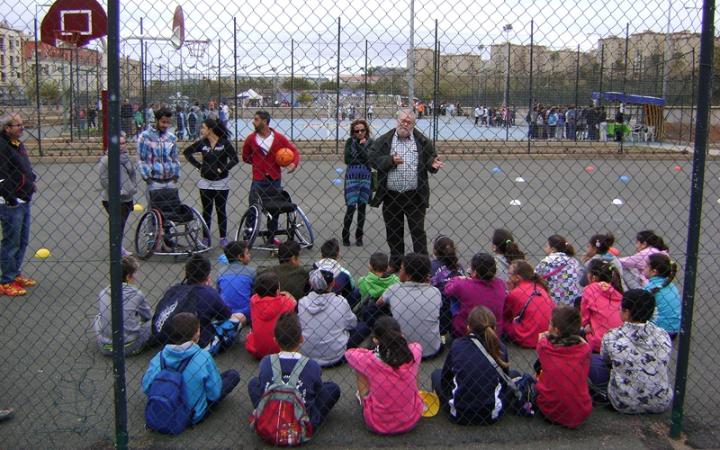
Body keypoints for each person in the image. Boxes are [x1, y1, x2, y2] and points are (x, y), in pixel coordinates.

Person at [369, 109, 444, 269]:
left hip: (415, 196)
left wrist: (432, 164)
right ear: (397, 121)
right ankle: (397, 262)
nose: (405, 124)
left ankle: (422, 264)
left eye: (409, 122)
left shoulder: (422, 141)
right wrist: (390, 160)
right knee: (394, 232)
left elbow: (432, 158)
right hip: (391, 195)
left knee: (418, 231)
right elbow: (372, 159)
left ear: (413, 124)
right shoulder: (385, 140)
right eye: (402, 120)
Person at [142, 312, 240, 428]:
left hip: (164, 408)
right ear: (196, 335)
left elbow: (146, 387)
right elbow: (214, 394)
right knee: (232, 375)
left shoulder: (160, 357)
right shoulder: (203, 356)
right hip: (191, 415)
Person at [248, 312, 340, 430]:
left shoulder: (266, 362)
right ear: (301, 339)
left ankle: (266, 416)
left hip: (270, 419)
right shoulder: (311, 365)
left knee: (253, 383)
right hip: (301, 424)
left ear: (275, 340)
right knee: (332, 388)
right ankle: (305, 422)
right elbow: (317, 388)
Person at [590, 289, 673, 414]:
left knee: (592, 360)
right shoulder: (663, 335)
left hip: (623, 403)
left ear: (627, 312)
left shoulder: (612, 336)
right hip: (660, 402)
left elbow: (605, 359)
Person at [345, 316, 424, 435]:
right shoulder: (414, 352)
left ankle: (365, 399)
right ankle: (412, 395)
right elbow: (416, 345)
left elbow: (349, 354)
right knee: (415, 365)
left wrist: (369, 352)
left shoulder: (369, 360)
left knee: (360, 368)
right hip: (411, 420)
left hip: (376, 423)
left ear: (375, 340)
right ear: (401, 335)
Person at [432, 306, 510, 425]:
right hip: (491, 415)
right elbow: (504, 381)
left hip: (459, 414)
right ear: (494, 328)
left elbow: (445, 378)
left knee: (435, 374)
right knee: (514, 375)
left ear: (468, 327)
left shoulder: (457, 345)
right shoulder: (500, 348)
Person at [152, 255, 242, 352]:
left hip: (166, 340)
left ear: (186, 273)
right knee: (239, 317)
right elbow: (226, 315)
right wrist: (208, 289)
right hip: (197, 344)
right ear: (207, 275)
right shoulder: (208, 292)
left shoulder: (175, 288)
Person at [242, 111, 300, 244]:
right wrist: (258, 163)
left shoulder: (279, 138)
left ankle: (271, 236)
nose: (253, 121)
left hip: (274, 179)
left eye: (256, 119)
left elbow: (294, 152)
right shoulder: (251, 139)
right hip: (258, 179)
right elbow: (245, 157)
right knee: (253, 206)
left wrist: (293, 163)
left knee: (274, 209)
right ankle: (248, 233)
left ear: (265, 121)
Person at [183, 118, 239, 248]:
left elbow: (234, 159)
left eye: (203, 127)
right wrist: (198, 166)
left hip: (222, 183)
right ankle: (206, 238)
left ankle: (223, 238)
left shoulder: (224, 143)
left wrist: (223, 169)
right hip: (205, 182)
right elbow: (187, 153)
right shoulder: (203, 143)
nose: (201, 130)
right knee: (206, 211)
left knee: (221, 210)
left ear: (210, 129)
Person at [534, 306, 592, 429]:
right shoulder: (585, 349)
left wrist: (547, 334)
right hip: (581, 412)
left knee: (537, 369)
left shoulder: (544, 347)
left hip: (551, 411)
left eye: (550, 324)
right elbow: (582, 341)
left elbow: (541, 338)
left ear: (556, 329)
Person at [376, 253, 442, 359]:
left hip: (402, 353)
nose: (399, 272)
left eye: (401, 269)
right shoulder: (435, 292)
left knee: (376, 307)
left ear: (408, 275)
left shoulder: (394, 289)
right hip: (431, 351)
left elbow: (378, 304)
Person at [0, 113, 37, 296]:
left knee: (22, 240)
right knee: (11, 241)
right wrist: (9, 197)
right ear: (7, 128)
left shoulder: (18, 144)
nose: (22, 128)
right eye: (17, 125)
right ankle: (6, 280)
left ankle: (15, 273)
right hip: (11, 202)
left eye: (22, 124)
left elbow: (25, 167)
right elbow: (2, 175)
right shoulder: (2, 146)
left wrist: (32, 180)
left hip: (24, 198)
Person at [298, 269, 368, 366]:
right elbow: (352, 324)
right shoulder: (340, 301)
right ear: (333, 283)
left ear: (311, 284)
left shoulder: (302, 303)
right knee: (364, 326)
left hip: (307, 355)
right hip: (336, 357)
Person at [93, 256, 151, 356]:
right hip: (128, 347)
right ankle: (135, 346)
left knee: (97, 318)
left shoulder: (103, 292)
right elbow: (147, 316)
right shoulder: (136, 294)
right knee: (152, 322)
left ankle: (108, 339)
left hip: (105, 346)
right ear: (128, 276)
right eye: (135, 273)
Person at [445, 253, 506, 338]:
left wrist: (457, 279)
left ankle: (453, 327)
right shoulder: (500, 283)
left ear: (474, 272)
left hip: (466, 332)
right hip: (495, 332)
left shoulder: (463, 285)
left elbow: (447, 290)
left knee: (454, 297)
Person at [96, 131, 137, 257]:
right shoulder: (107, 160)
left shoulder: (126, 158)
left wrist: (132, 188)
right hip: (112, 198)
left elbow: (132, 174)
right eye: (119, 144)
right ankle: (117, 248)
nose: (122, 146)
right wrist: (118, 192)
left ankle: (118, 246)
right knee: (117, 224)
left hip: (127, 197)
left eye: (124, 143)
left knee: (122, 224)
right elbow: (104, 180)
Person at [245, 271, 297, 359]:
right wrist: (288, 296)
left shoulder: (254, 301)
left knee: (250, 334)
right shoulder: (286, 301)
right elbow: (294, 303)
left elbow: (257, 297)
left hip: (258, 351)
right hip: (282, 349)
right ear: (277, 291)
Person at [503, 260, 554, 349]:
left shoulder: (516, 292)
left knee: (500, 320)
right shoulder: (539, 287)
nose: (508, 277)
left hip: (528, 338)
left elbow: (506, 315)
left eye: (510, 274)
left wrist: (510, 291)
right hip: (546, 336)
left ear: (517, 277)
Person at [580, 259, 624, 353]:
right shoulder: (618, 292)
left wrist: (586, 325)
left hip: (599, 343)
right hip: (620, 342)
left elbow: (585, 319)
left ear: (594, 277)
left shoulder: (590, 289)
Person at [342, 119, 373, 247]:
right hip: (352, 177)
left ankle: (359, 236)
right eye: (357, 131)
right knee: (350, 207)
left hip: (365, 177)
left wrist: (360, 149)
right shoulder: (350, 142)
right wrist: (362, 154)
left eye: (362, 130)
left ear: (366, 131)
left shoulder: (371, 142)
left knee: (362, 207)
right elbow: (347, 159)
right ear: (353, 132)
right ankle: (345, 234)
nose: (360, 133)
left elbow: (369, 160)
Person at [137, 107, 181, 198]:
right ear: (157, 120)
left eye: (168, 122)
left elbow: (174, 158)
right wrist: (146, 177)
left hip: (170, 181)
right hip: (154, 181)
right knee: (155, 209)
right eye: (163, 122)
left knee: (170, 208)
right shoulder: (146, 136)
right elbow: (141, 158)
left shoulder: (171, 137)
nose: (165, 125)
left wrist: (176, 174)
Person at [429, 236, 465, 337]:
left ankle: (442, 334)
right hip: (459, 313)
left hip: (440, 312)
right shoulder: (459, 267)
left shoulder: (431, 266)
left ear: (435, 251)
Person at [535, 235, 582, 306]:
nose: (544, 248)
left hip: (554, 301)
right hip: (573, 300)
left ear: (553, 249)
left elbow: (534, 276)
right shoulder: (574, 261)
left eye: (546, 246)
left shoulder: (547, 261)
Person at [216, 240, 255, 326]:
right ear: (240, 257)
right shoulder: (251, 271)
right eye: (247, 253)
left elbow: (219, 292)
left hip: (225, 313)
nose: (250, 255)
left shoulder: (221, 272)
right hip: (246, 313)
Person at [644, 253, 681, 335]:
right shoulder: (670, 284)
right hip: (674, 328)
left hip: (661, 330)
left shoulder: (650, 288)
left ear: (654, 272)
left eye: (646, 266)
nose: (643, 268)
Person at [312, 238, 356, 303]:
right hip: (334, 301)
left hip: (314, 299)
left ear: (321, 255)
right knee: (356, 291)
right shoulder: (344, 273)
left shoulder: (313, 269)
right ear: (338, 255)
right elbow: (351, 287)